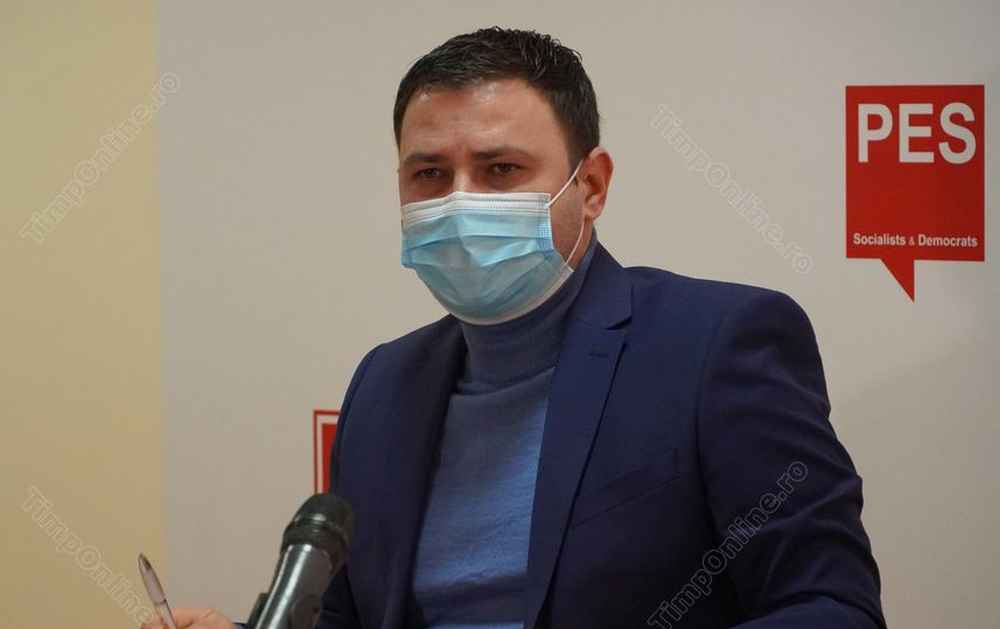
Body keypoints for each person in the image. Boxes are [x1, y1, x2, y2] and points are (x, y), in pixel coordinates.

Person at [150, 27, 885, 629]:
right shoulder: (383, 382)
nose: (459, 201)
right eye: (429, 175)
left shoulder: (716, 342)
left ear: (591, 186)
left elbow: (831, 606)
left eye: (500, 169)